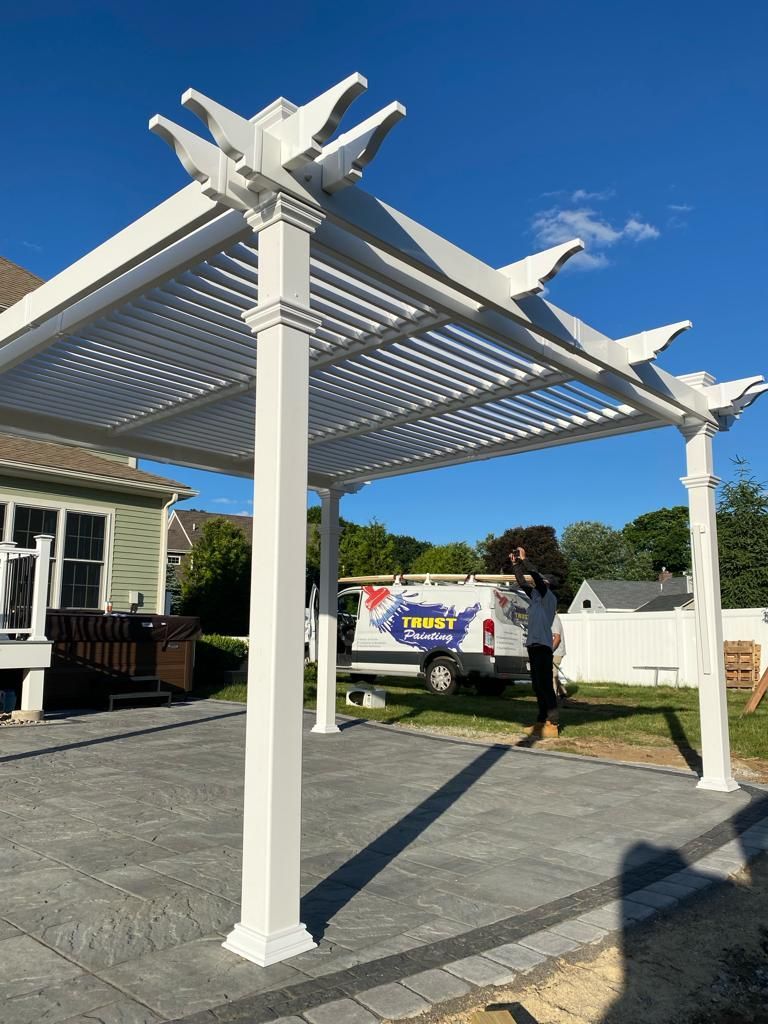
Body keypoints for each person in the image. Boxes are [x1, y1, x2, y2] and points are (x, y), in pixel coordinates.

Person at [509, 546, 559, 737]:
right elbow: (522, 583)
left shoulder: (548, 597)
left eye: (543, 581)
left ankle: (553, 723)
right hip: (533, 645)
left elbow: (535, 578)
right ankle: (540, 722)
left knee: (546, 684)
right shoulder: (536, 597)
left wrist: (525, 559)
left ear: (548, 584)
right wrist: (515, 565)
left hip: (544, 646)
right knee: (537, 685)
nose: (539, 583)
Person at [552, 612, 568, 704]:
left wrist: (549, 651)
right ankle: (563, 692)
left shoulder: (554, 619)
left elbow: (557, 639)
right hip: (553, 651)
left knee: (552, 675)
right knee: (553, 674)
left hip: (556, 652)